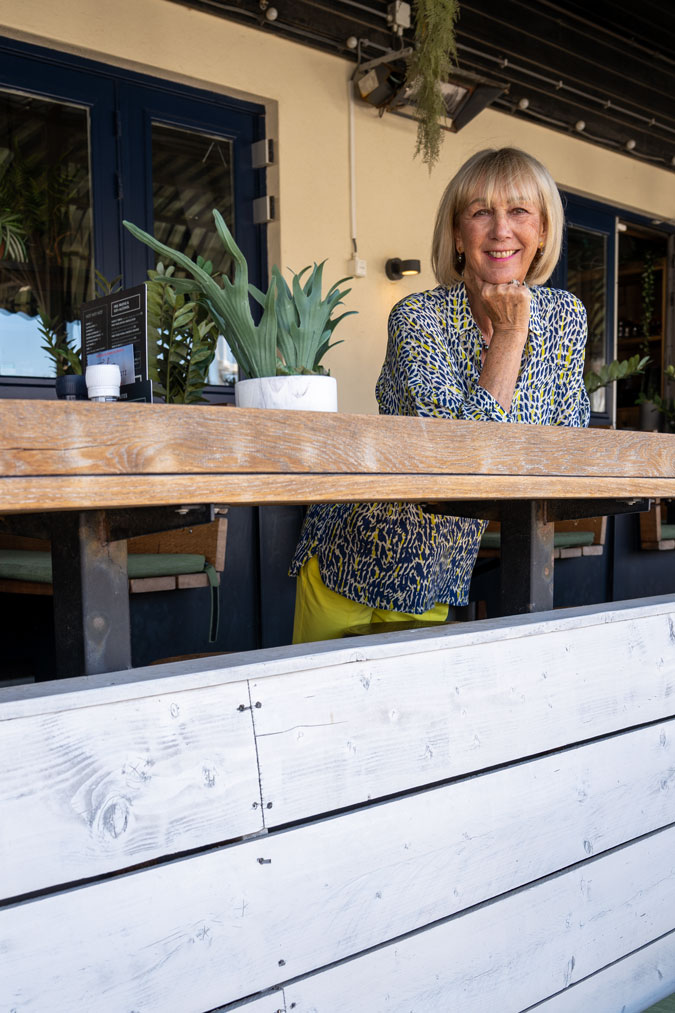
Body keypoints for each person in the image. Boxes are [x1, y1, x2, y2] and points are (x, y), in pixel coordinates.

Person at [290, 146, 590, 643]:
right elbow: (462, 458)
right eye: (480, 213)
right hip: (352, 552)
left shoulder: (564, 316)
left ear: (542, 232)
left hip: (436, 567)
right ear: (456, 235)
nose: (500, 230)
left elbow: (568, 441)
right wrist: (511, 337)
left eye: (518, 211)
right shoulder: (418, 318)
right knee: (315, 706)